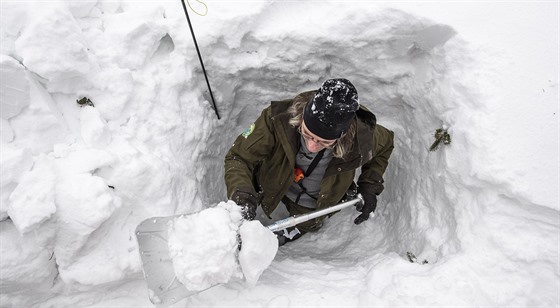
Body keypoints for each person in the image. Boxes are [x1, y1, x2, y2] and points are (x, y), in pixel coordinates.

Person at [224, 78, 394, 244]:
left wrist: (369, 185)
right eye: (307, 134)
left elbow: (386, 145)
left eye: (324, 142)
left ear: (342, 135)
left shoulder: (362, 137)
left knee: (308, 222)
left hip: (313, 201)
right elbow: (238, 157)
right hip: (271, 180)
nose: (312, 146)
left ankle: (292, 231)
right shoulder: (277, 119)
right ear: (302, 118)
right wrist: (242, 196)